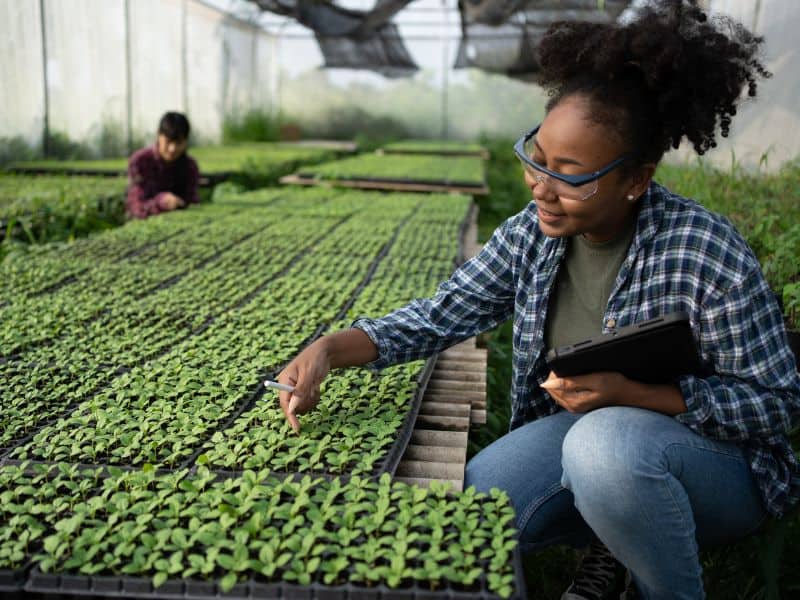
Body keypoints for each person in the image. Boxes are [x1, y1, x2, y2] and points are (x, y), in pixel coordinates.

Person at [275, 2, 800, 598]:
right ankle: (615, 541)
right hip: (586, 446)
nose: (541, 187)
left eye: (570, 174)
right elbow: (441, 314)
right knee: (472, 517)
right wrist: (331, 350)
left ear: (636, 180)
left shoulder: (705, 250)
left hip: (718, 466)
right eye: (538, 158)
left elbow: (777, 402)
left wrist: (638, 396)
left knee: (604, 448)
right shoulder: (532, 234)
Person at [126, 111, 200, 219]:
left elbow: (192, 202)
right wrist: (161, 202)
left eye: (179, 143)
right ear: (158, 135)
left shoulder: (190, 166)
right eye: (168, 142)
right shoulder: (140, 161)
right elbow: (136, 207)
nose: (172, 149)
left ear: (186, 141)